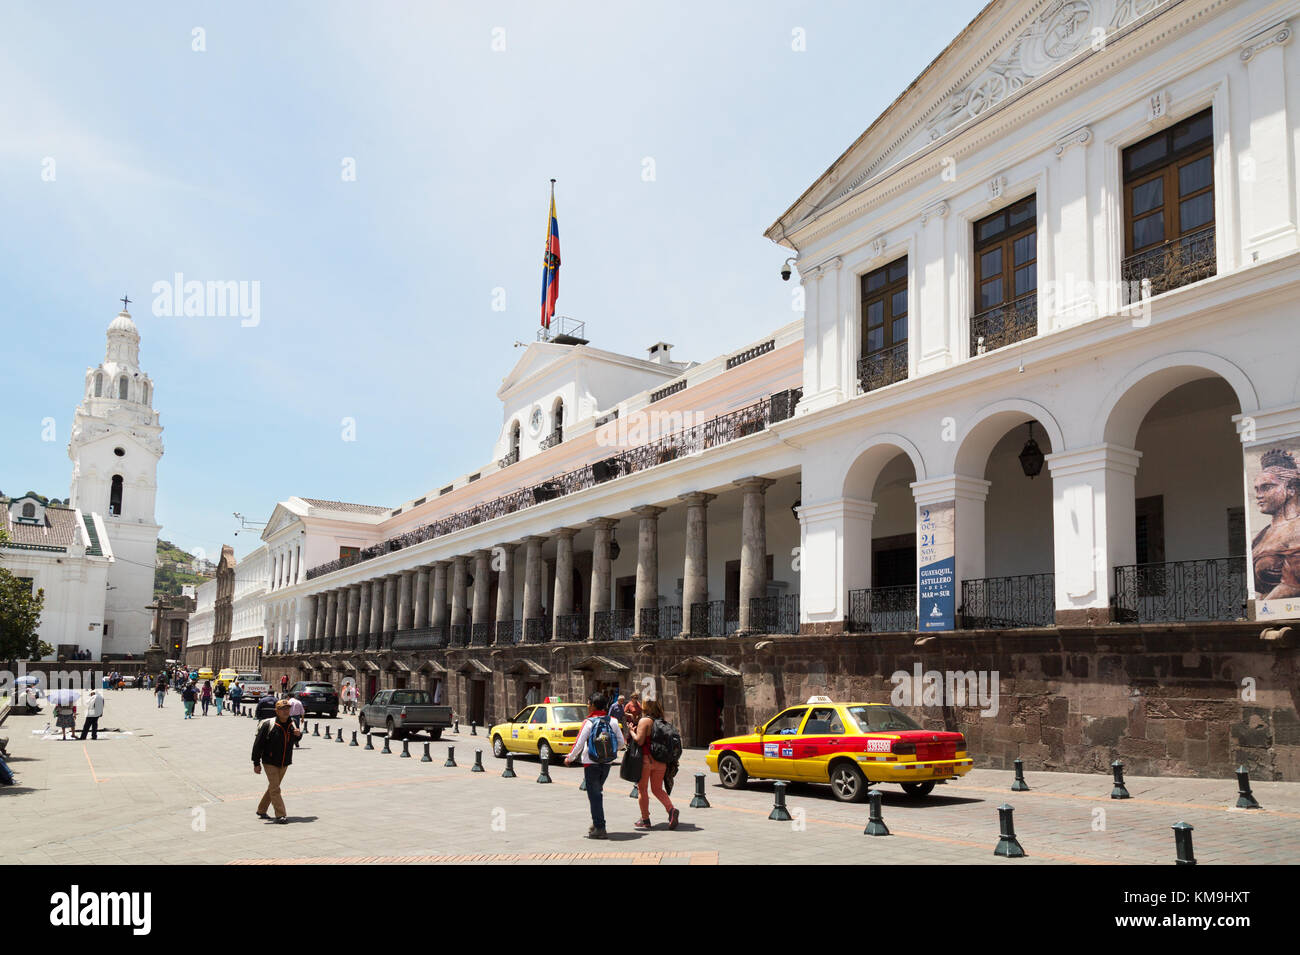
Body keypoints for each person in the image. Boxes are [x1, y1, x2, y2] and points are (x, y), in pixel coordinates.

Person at [564, 691, 624, 839]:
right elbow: (622, 743)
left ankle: (600, 827)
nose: (587, 705)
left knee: (595, 795)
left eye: (588, 703)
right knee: (597, 793)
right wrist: (608, 751)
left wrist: (569, 758)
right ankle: (596, 823)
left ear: (593, 706)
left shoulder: (589, 722)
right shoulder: (614, 721)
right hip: (607, 763)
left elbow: (578, 743)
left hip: (591, 763)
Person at [629, 699, 679, 830]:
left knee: (642, 789)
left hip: (646, 761)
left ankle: (645, 819)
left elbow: (639, 741)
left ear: (646, 707)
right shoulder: (662, 722)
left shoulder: (644, 721)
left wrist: (631, 731)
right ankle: (671, 810)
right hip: (661, 761)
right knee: (657, 789)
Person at [252, 699, 302, 823]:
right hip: (269, 761)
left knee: (273, 787)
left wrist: (298, 735)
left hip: (285, 762)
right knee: (275, 788)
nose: (286, 711)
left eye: (287, 709)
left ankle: (261, 810)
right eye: (282, 709)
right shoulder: (269, 724)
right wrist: (256, 763)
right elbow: (258, 744)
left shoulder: (293, 724)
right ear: (277, 711)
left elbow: (296, 739)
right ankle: (280, 815)